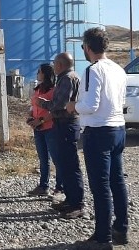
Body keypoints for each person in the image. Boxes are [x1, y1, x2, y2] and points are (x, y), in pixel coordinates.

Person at [66, 27, 129, 248]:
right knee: (117, 181)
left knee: (100, 186)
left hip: (98, 131)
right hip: (118, 129)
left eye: (83, 46)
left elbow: (91, 105)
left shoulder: (93, 70)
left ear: (88, 47)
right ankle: (121, 228)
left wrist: (73, 106)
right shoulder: (119, 70)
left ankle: (103, 237)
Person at [38, 52, 85, 219]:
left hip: (67, 124)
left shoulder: (66, 79)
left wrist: (42, 103)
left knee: (71, 165)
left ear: (60, 65)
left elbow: (60, 104)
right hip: (65, 124)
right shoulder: (71, 77)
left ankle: (77, 204)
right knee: (65, 163)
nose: (53, 66)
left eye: (55, 63)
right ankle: (70, 199)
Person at [26, 63, 63, 197]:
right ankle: (43, 186)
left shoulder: (54, 91)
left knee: (56, 158)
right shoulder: (38, 89)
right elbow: (32, 106)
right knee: (43, 159)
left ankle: (60, 187)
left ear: (45, 74)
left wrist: (41, 120)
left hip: (49, 128)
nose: (37, 73)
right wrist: (30, 117)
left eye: (39, 71)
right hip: (38, 128)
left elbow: (54, 110)